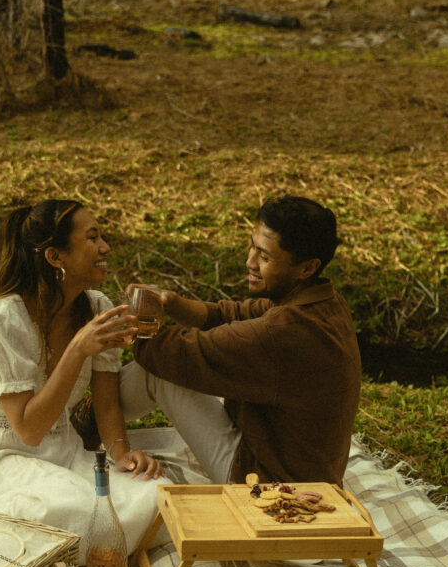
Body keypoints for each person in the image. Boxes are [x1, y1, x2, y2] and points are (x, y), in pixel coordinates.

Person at [0, 200, 166, 560]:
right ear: (55, 257)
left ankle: (92, 543)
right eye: (92, 238)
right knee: (72, 512)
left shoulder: (95, 307)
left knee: (157, 496)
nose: (105, 247)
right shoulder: (2, 318)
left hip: (62, 448)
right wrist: (77, 350)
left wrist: (122, 454)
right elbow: (29, 430)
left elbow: (107, 402)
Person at [120, 195, 360, 486]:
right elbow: (232, 314)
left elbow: (176, 353)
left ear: (307, 267)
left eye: (265, 257)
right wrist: (172, 303)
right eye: (253, 247)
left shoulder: (283, 332)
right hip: (305, 469)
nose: (250, 262)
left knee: (158, 372)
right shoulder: (323, 301)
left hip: (268, 481)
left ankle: (84, 429)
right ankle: (92, 425)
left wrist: (130, 324)